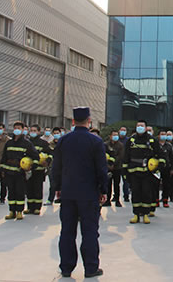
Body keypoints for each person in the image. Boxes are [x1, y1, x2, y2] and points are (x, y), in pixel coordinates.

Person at [53, 107, 109, 279]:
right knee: (90, 232)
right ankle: (91, 268)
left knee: (67, 231)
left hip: (68, 192)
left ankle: (66, 267)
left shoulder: (63, 140)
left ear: (73, 121)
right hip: (89, 193)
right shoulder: (95, 141)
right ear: (89, 121)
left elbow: (56, 167)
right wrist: (103, 189)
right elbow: (101, 168)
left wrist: (57, 188)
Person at [0, 121, 39, 221]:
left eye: (19, 128)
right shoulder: (9, 143)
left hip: (20, 173)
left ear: (22, 130)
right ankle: (11, 211)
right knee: (11, 192)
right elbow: (4, 157)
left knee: (19, 192)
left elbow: (35, 157)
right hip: (9, 172)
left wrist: (31, 167)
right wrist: (2, 170)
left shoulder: (27, 143)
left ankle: (19, 212)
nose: (17, 130)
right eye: (15, 128)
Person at [123, 120, 157, 224]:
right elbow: (126, 156)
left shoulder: (151, 140)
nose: (140, 127)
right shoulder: (131, 140)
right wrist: (125, 172)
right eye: (138, 125)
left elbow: (159, 155)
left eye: (142, 126)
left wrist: (156, 167)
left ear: (146, 128)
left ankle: (146, 214)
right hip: (134, 172)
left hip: (147, 173)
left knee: (146, 193)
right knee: (135, 193)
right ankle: (136, 215)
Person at [26, 124, 53, 215]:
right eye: (31, 130)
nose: (33, 132)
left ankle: (37, 207)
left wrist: (47, 161)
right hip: (29, 169)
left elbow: (50, 154)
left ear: (38, 132)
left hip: (39, 170)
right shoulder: (27, 142)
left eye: (35, 131)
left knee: (37, 188)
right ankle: (30, 207)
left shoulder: (43, 143)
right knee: (29, 189)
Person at [104, 130, 124, 208]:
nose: (115, 136)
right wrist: (108, 164)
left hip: (117, 167)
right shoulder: (106, 144)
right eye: (114, 135)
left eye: (116, 135)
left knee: (116, 184)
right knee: (108, 184)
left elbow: (120, 156)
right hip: (108, 167)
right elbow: (104, 154)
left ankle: (117, 200)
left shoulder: (120, 145)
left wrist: (113, 163)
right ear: (110, 136)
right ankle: (107, 200)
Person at [157, 130, 173, 208]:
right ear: (158, 136)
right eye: (162, 134)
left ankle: (165, 200)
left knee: (166, 185)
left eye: (164, 134)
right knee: (156, 185)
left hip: (167, 168)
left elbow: (172, 157)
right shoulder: (156, 145)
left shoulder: (169, 146)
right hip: (157, 168)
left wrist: (172, 168)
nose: (163, 136)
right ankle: (156, 201)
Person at [46, 126, 62, 205]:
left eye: (57, 133)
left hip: (62, 166)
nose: (56, 135)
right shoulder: (50, 144)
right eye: (55, 133)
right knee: (52, 184)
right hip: (52, 166)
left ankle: (61, 198)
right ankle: (50, 199)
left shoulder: (63, 143)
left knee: (63, 184)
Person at [118, 126, 131, 202]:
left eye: (124, 130)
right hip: (117, 164)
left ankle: (126, 195)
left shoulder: (128, 140)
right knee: (116, 182)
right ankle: (115, 196)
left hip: (125, 163)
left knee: (126, 181)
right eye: (122, 130)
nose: (123, 131)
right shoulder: (116, 140)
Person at [165, 130, 173, 202]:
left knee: (172, 182)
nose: (168, 136)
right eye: (167, 135)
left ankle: (172, 197)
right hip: (165, 166)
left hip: (172, 166)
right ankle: (164, 196)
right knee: (165, 183)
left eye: (170, 135)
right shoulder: (164, 144)